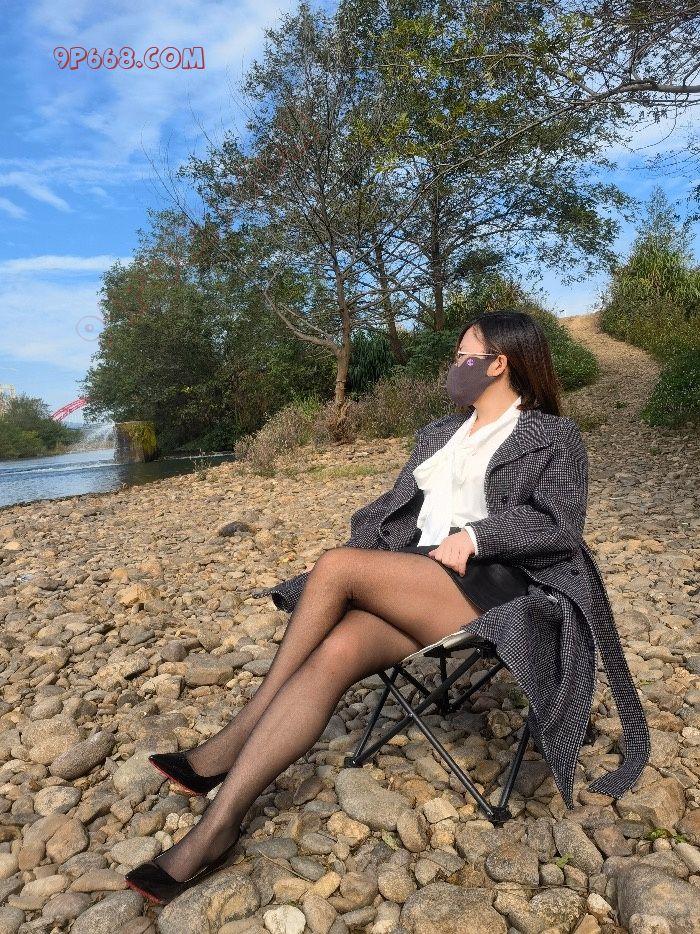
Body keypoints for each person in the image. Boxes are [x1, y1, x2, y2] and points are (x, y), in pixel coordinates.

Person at [124, 310, 584, 904]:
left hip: (497, 586)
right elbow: (397, 510)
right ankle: (217, 829)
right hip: (420, 579)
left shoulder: (551, 435)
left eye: (461, 356)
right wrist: (381, 552)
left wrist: (477, 537)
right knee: (336, 649)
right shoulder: (440, 433)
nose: (453, 367)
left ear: (498, 363)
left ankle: (235, 736)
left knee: (337, 566)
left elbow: (561, 527)